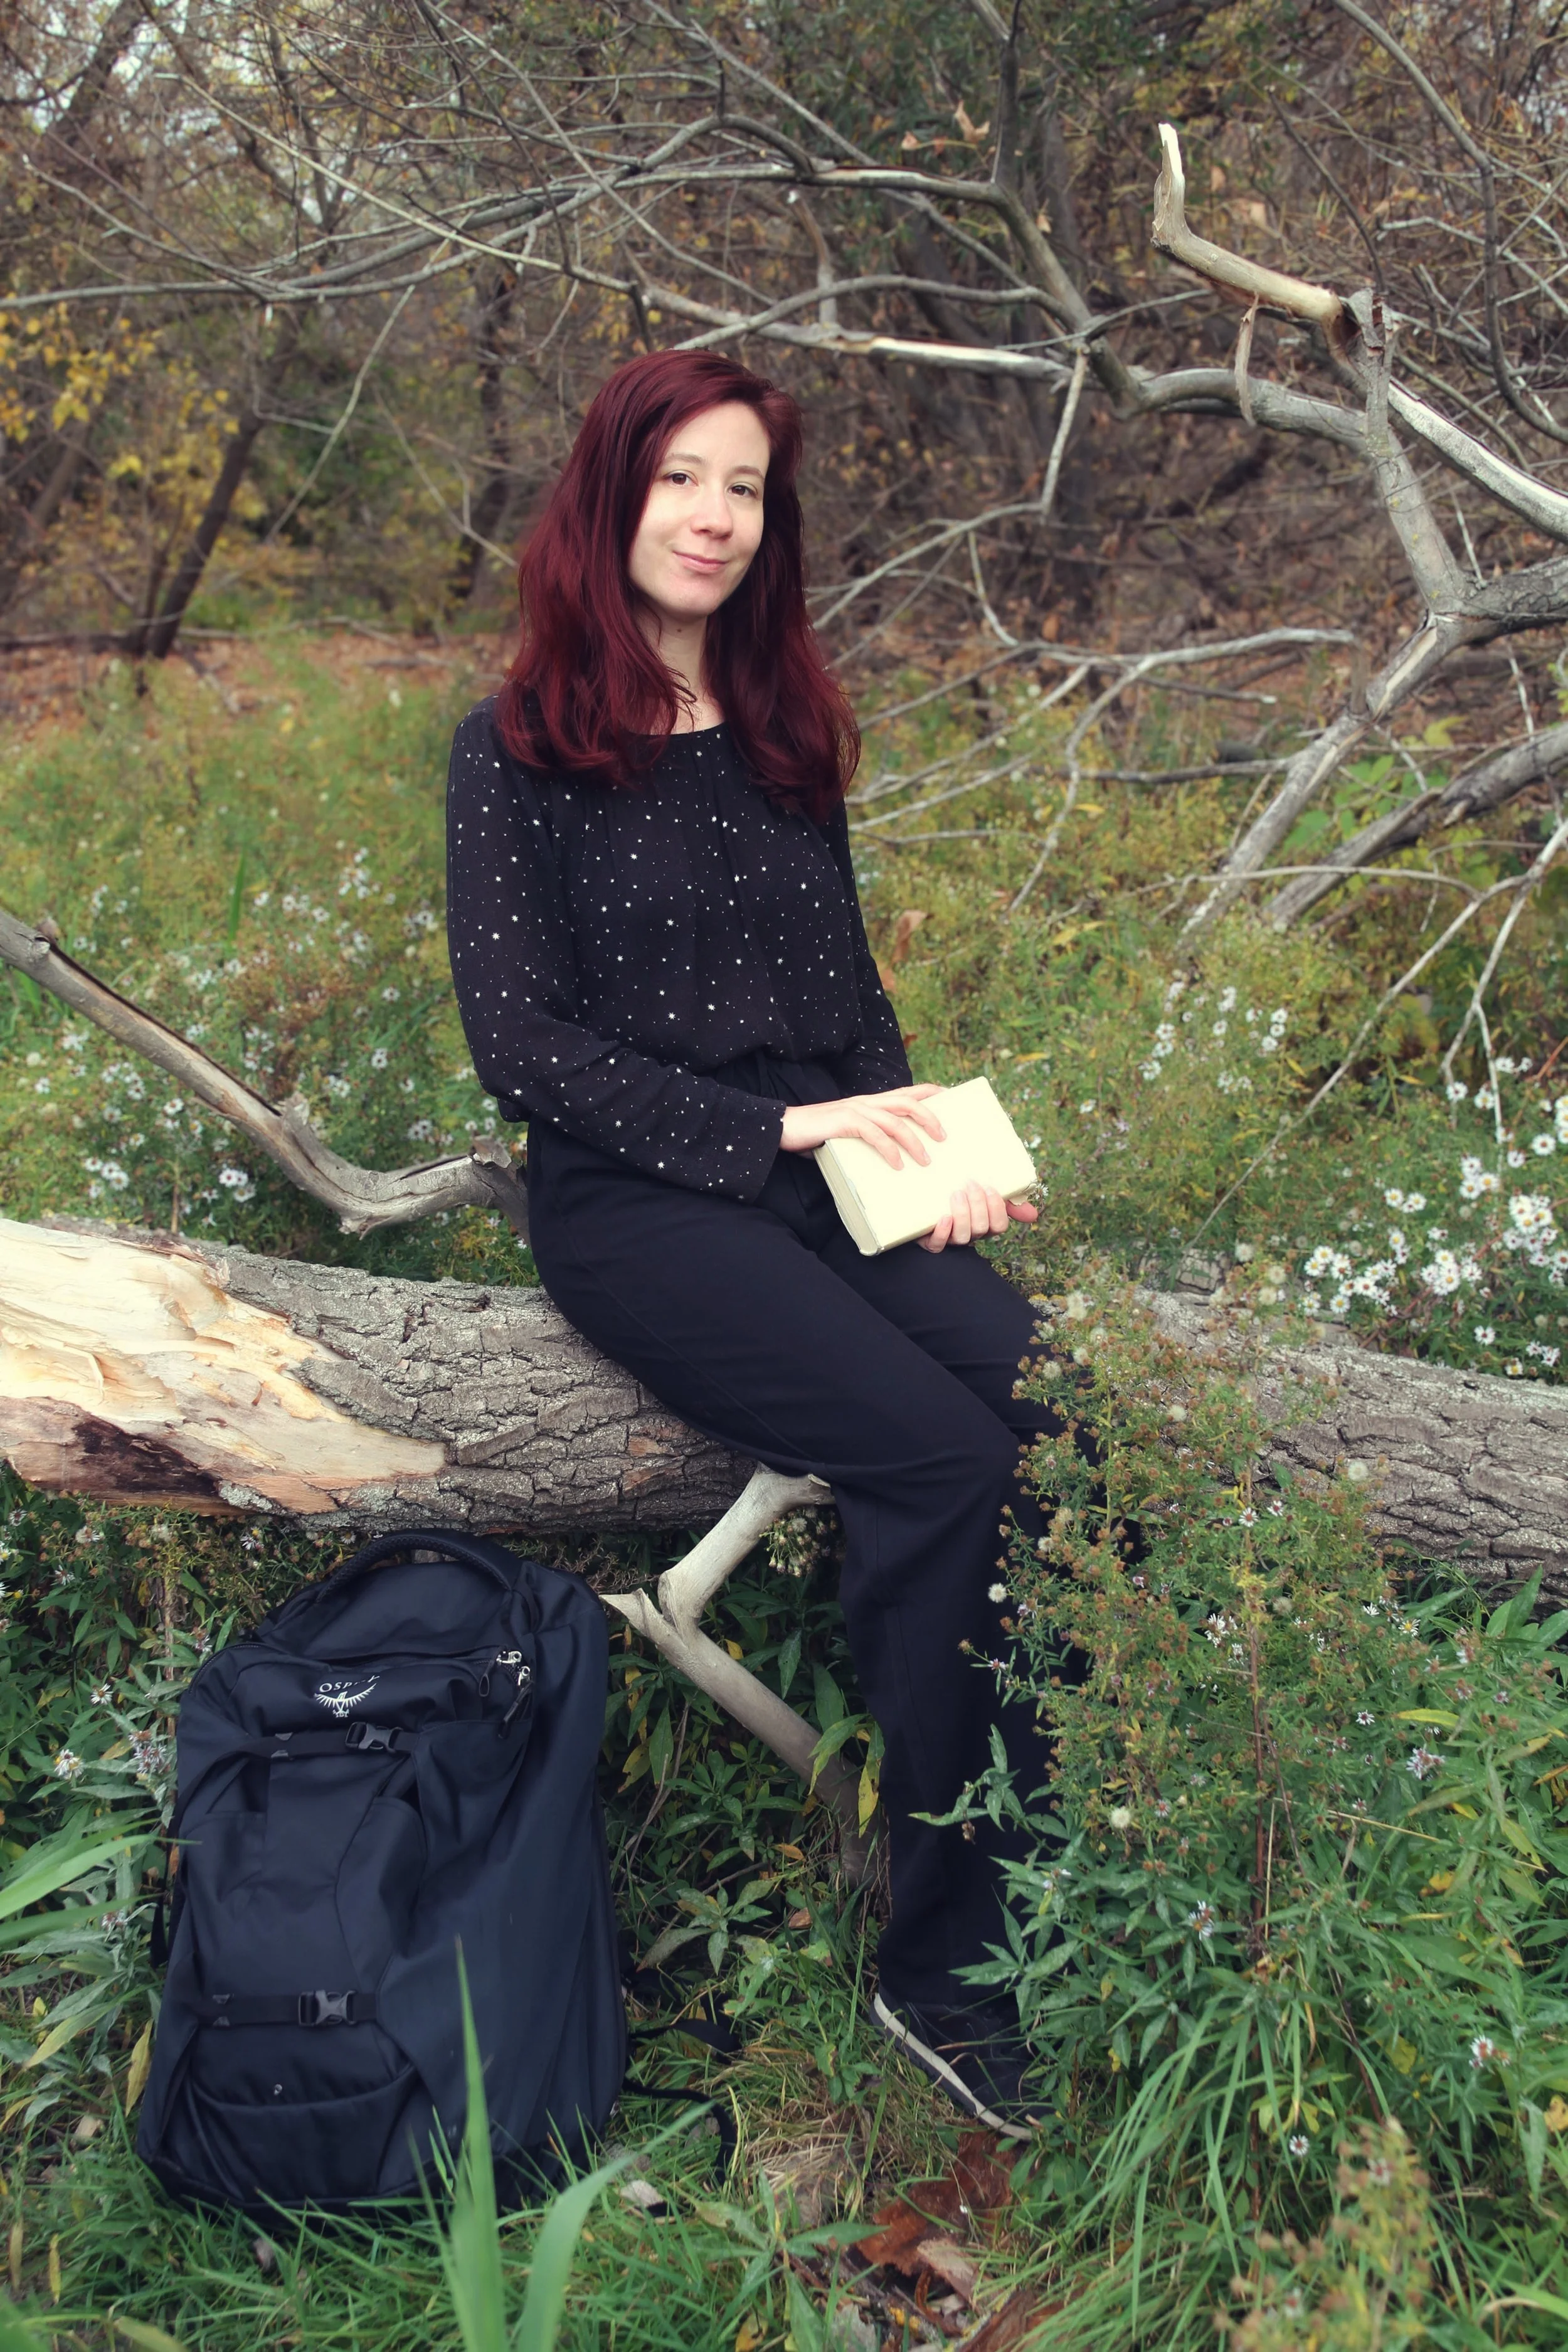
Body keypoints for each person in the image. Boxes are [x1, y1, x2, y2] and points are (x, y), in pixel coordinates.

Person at [445, 348, 1067, 2137]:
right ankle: (944, 1963)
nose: (716, 517)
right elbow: (526, 1047)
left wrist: (932, 1153)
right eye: (680, 482)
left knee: (1053, 1399)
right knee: (940, 1457)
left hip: (824, 1172)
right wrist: (775, 1128)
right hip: (640, 1200)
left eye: (744, 488)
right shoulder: (517, 748)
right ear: (608, 497)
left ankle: (1053, 1817)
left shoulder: (787, 719)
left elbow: (848, 1000)